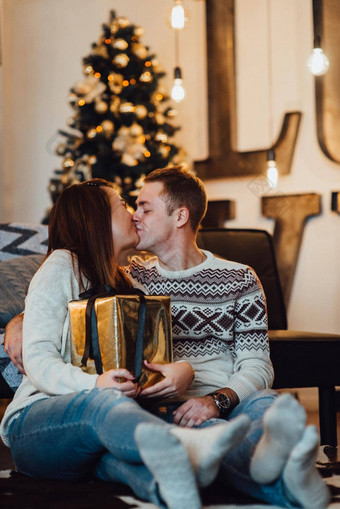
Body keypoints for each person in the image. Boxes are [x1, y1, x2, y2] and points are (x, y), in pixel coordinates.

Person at [4, 169, 330, 509]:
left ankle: (273, 475)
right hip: (140, 407)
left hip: (205, 401)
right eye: (128, 206)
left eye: (145, 207)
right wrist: (20, 320)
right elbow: (53, 303)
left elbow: (256, 365)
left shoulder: (145, 282)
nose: (134, 214)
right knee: (119, 414)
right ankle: (238, 457)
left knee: (266, 403)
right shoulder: (131, 276)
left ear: (180, 216)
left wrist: (211, 396)